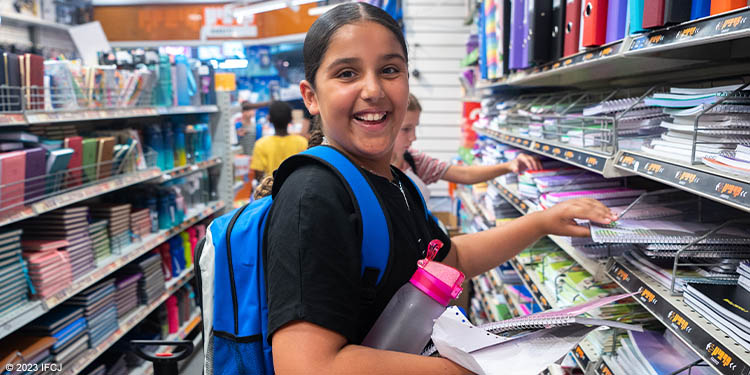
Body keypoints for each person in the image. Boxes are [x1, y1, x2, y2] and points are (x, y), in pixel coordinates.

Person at [260, 3, 617, 374]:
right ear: (311, 96)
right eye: (347, 73)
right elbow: (306, 366)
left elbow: (452, 260)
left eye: (389, 70)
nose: (373, 89)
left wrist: (541, 222)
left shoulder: (394, 182)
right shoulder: (314, 195)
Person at [392, 93, 542, 204]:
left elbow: (465, 174)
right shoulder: (370, 172)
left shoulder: (415, 161)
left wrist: (510, 165)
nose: (413, 137)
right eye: (406, 129)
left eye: (415, 128)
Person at [250, 100, 308, 181]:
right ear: (291, 119)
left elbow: (258, 175)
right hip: (296, 189)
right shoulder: (302, 142)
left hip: (271, 190)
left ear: (269, 119)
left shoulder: (261, 144)